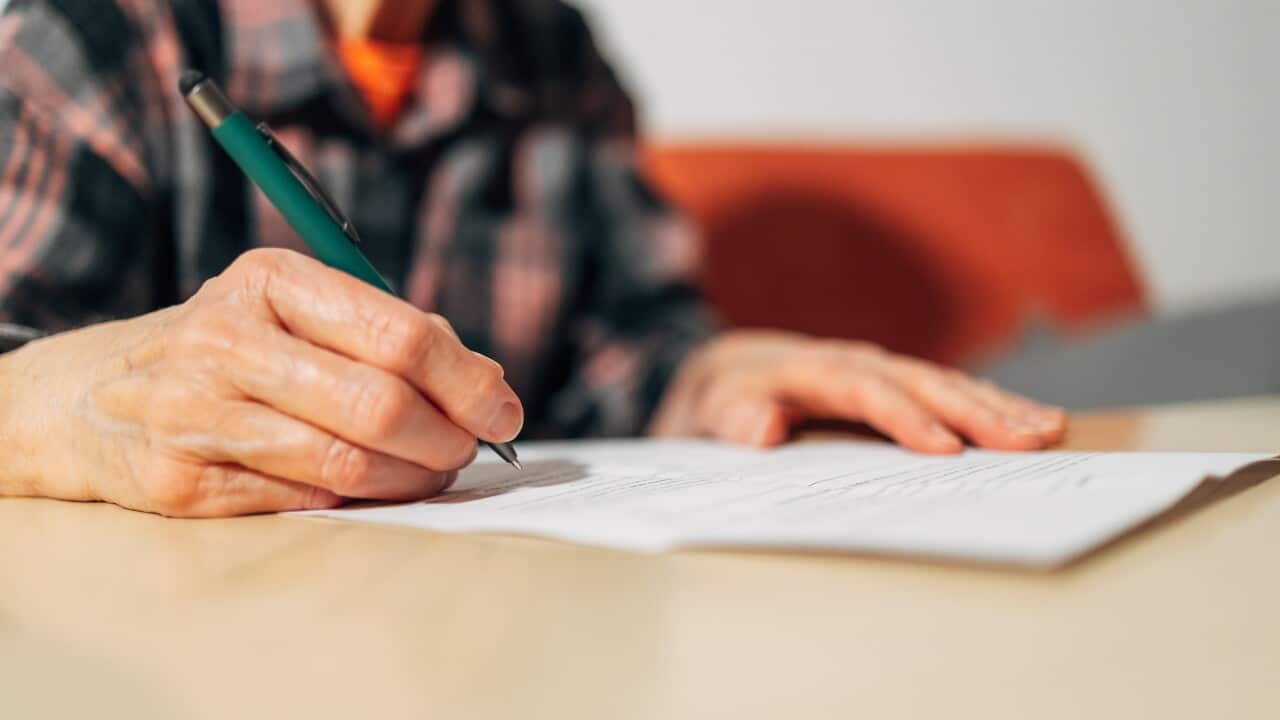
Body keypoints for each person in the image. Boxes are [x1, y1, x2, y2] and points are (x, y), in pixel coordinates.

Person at [0, 0, 1066, 517]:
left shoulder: (553, 53)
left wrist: (699, 376)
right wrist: (76, 402)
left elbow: (627, 347)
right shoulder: (87, 40)